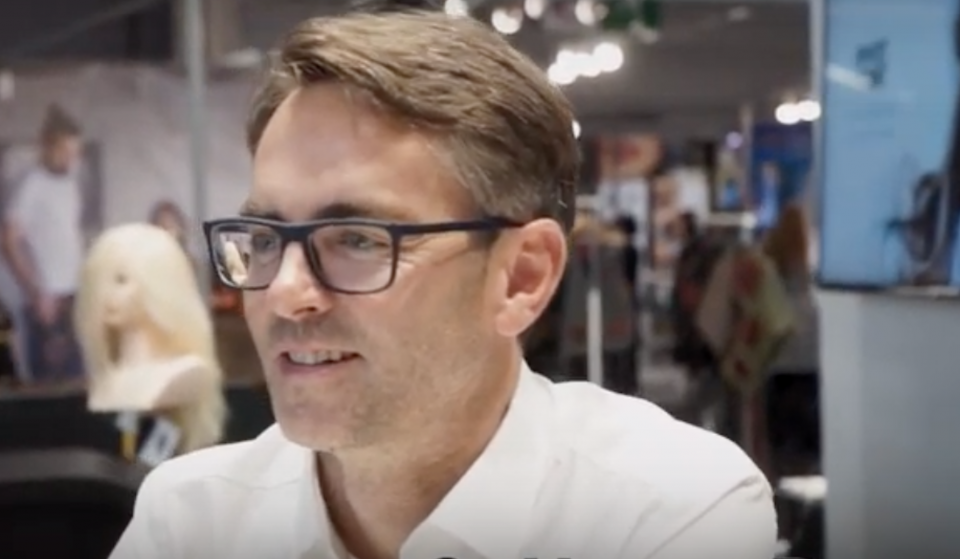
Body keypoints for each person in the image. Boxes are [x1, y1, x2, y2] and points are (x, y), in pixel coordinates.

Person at [110, 9, 776, 559]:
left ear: (522, 276)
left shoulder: (662, 509)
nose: (285, 291)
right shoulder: (191, 519)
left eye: (358, 240)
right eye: (264, 238)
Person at [1, 104, 86, 382]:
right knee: (50, 383)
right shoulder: (31, 186)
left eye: (75, 153)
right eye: (65, 152)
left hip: (72, 295)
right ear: (48, 147)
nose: (71, 159)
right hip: (46, 300)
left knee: (78, 380)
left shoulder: (70, 184)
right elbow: (9, 241)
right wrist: (36, 292)